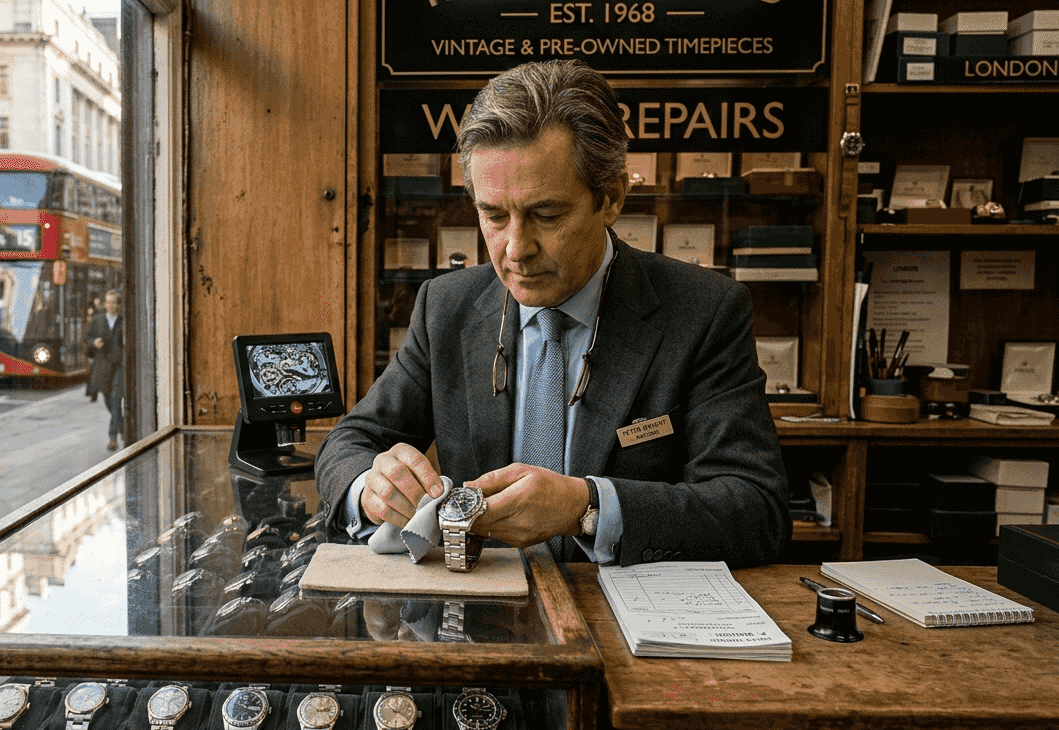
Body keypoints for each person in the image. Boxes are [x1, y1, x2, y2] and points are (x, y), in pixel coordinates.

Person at [315, 59, 789, 569]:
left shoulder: (704, 311)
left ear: (611, 199)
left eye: (547, 215)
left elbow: (755, 510)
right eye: (494, 216)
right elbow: (348, 443)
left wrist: (588, 508)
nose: (516, 249)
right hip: (477, 619)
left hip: (624, 627)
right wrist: (371, 486)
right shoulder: (444, 308)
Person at [86, 289, 125, 450]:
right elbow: (86, 338)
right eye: (107, 302)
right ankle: (123, 427)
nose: (110, 305)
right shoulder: (97, 320)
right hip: (103, 367)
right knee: (109, 401)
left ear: (119, 305)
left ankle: (113, 437)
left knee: (116, 400)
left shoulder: (123, 321)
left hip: (119, 366)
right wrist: (94, 342)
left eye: (113, 302)